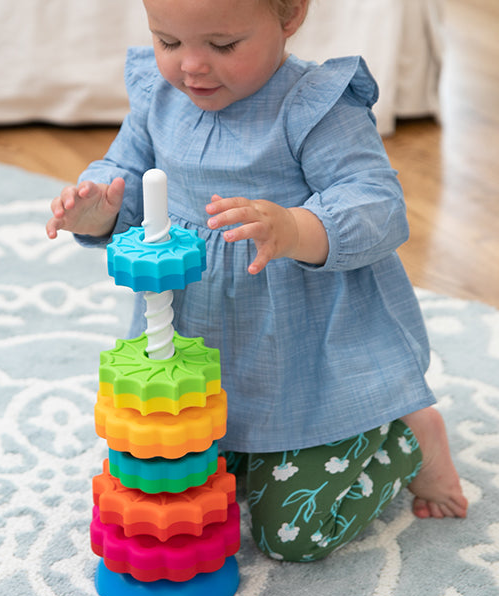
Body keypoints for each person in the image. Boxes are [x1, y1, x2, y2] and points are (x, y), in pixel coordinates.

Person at [46, 0, 468, 561]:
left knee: (293, 534)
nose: (191, 66)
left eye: (222, 46)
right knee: (179, 475)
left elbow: (377, 205)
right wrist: (95, 206)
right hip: (201, 341)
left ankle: (409, 438)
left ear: (290, 15)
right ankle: (248, 442)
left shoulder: (314, 105)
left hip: (305, 358)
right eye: (168, 42)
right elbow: (124, 175)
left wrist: (295, 227)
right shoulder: (160, 95)